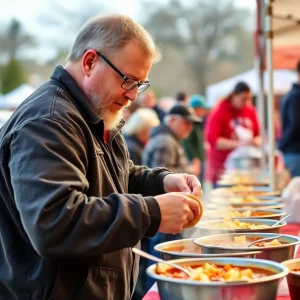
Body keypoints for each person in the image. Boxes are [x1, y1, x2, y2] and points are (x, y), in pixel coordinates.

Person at [0, 14, 202, 300]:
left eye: (140, 85)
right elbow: (55, 223)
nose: (133, 96)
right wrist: (153, 212)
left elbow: (118, 176)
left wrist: (161, 182)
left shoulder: (94, 111)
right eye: (128, 80)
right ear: (90, 62)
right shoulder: (49, 121)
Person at [204, 82, 260, 186]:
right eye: (243, 99)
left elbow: (258, 134)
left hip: (246, 167)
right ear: (234, 95)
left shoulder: (250, 110)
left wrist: (255, 142)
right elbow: (213, 140)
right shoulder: (219, 111)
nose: (246, 102)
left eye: (248, 99)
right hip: (222, 167)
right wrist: (240, 143)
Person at [142, 104, 201, 175]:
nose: (190, 128)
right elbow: (162, 175)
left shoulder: (168, 138)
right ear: (172, 120)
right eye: (186, 123)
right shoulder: (165, 141)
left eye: (191, 124)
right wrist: (190, 170)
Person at [278, 60, 300, 177]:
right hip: (295, 153)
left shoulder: (292, 94)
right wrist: (282, 144)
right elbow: (296, 124)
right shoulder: (296, 96)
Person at [183, 94, 210, 182]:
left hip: (199, 160)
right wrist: (195, 159)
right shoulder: (191, 123)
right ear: (197, 109)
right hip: (194, 162)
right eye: (203, 109)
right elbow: (188, 142)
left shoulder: (198, 123)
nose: (204, 112)